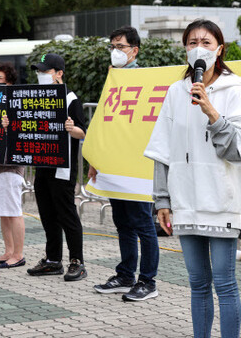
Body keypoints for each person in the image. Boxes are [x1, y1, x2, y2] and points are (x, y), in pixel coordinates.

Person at [145, 19, 241, 338]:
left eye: (206, 43)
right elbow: (162, 149)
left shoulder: (233, 91)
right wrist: (162, 201)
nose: (198, 48)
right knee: (197, 283)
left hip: (221, 200)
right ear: (184, 50)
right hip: (186, 200)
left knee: (225, 282)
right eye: (192, 42)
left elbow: (237, 149)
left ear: (220, 50)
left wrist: (212, 112)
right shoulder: (175, 92)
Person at [90, 26, 160, 302]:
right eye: (113, 46)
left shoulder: (145, 79)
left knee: (143, 224)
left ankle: (148, 281)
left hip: (138, 165)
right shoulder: (113, 79)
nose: (115, 51)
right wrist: (97, 159)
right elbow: (106, 125)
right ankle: (125, 275)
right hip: (114, 164)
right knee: (123, 223)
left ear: (135, 50)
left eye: (121, 46)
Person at [26, 53, 88, 281]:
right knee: (47, 213)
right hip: (42, 163)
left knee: (66, 213)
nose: (41, 75)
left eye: (46, 71)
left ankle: (77, 262)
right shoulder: (39, 98)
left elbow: (82, 131)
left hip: (63, 165)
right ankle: (53, 260)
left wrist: (72, 128)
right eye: (39, 71)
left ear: (59, 73)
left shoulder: (71, 99)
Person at [0, 62, 26, 268]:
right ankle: (8, 250)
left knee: (14, 210)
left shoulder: (17, 102)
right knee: (3, 212)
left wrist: (11, 126)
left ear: (10, 82)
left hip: (9, 166)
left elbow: (24, 131)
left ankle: (18, 254)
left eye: (2, 79)